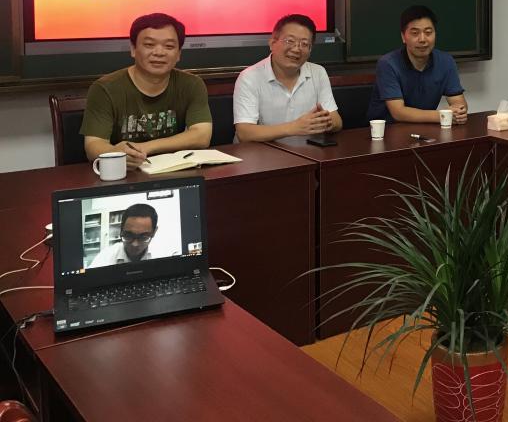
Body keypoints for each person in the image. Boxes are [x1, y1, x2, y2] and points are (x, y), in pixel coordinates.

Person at [81, 13, 212, 170]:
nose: (159, 52)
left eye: (169, 46)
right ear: (133, 49)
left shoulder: (192, 84)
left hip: (173, 170)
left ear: (178, 54)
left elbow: (202, 135)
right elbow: (93, 145)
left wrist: (145, 147)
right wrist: (116, 153)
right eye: (149, 45)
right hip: (124, 171)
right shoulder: (105, 88)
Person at [233, 14, 342, 141]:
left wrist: (325, 122)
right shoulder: (250, 77)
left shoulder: (318, 72)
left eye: (304, 44)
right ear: (272, 43)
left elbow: (337, 121)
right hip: (262, 151)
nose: (296, 49)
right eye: (290, 41)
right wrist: (294, 127)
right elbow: (244, 133)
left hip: (307, 151)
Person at [366, 5, 468, 124]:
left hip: (426, 128)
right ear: (403, 37)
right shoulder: (388, 63)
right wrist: (442, 116)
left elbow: (459, 103)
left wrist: (459, 112)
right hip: (388, 130)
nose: (422, 39)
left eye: (428, 32)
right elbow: (398, 112)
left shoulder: (446, 61)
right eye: (415, 33)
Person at [88, 204, 159, 267]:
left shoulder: (160, 254)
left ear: (154, 232)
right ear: (121, 230)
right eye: (128, 236)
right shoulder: (105, 256)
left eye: (143, 237)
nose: (135, 244)